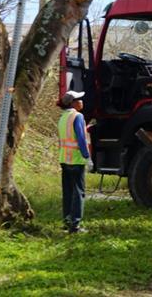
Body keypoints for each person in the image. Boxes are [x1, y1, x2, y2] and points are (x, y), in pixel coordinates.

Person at [58, 90, 90, 233]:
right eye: (79, 99)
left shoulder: (63, 117)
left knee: (68, 192)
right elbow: (81, 139)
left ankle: (67, 222)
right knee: (78, 192)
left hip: (64, 159)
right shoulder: (78, 116)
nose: (82, 101)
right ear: (73, 103)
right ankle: (75, 226)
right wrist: (87, 157)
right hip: (76, 159)